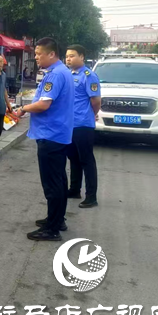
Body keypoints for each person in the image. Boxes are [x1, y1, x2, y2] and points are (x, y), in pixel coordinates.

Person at [15, 38, 74, 241]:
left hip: (51, 135)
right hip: (58, 134)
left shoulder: (56, 75)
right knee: (59, 179)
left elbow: (43, 105)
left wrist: (22, 108)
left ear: (51, 54)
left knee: (52, 184)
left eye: (39, 53)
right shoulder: (61, 72)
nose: (36, 57)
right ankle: (57, 219)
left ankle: (52, 228)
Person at [65, 45, 101, 208]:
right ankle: (74, 189)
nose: (68, 59)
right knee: (73, 158)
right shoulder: (70, 74)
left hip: (83, 124)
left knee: (87, 160)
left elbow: (96, 101)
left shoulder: (89, 76)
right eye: (67, 56)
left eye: (72, 56)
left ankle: (91, 196)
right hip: (70, 124)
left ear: (82, 57)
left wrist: (91, 114)